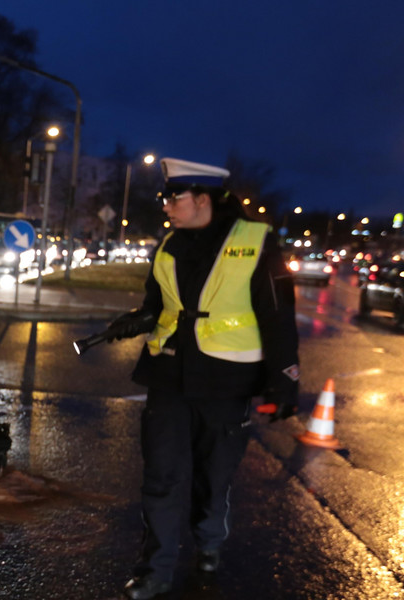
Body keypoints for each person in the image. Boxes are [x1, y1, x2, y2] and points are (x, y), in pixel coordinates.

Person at [106, 158, 300, 599]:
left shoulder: (257, 242)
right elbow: (158, 306)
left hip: (227, 383)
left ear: (203, 198)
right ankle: (155, 571)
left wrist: (284, 381)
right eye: (166, 197)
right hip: (169, 377)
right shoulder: (169, 245)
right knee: (161, 477)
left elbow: (278, 318)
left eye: (174, 197)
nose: (167, 205)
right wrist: (134, 320)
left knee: (213, 478)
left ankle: (209, 545)